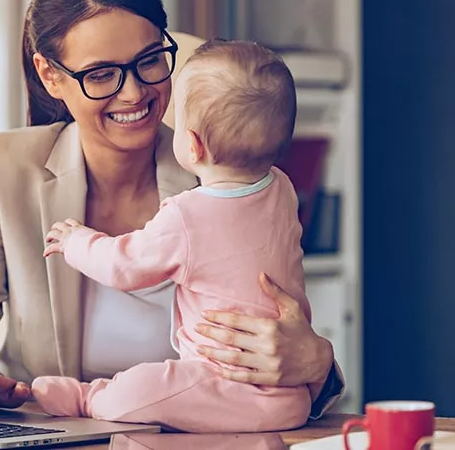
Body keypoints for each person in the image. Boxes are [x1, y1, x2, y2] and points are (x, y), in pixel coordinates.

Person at [0, 0, 344, 420]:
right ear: (50, 75)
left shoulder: (228, 176)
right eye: (102, 74)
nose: (134, 92)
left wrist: (316, 364)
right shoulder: (5, 169)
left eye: (149, 61)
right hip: (54, 433)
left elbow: (287, 342)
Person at [30, 39, 312, 433]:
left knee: (146, 385)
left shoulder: (187, 215)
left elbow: (124, 266)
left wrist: (76, 242)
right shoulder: (281, 190)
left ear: (192, 145)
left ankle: (88, 397)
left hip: (220, 381)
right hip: (290, 397)